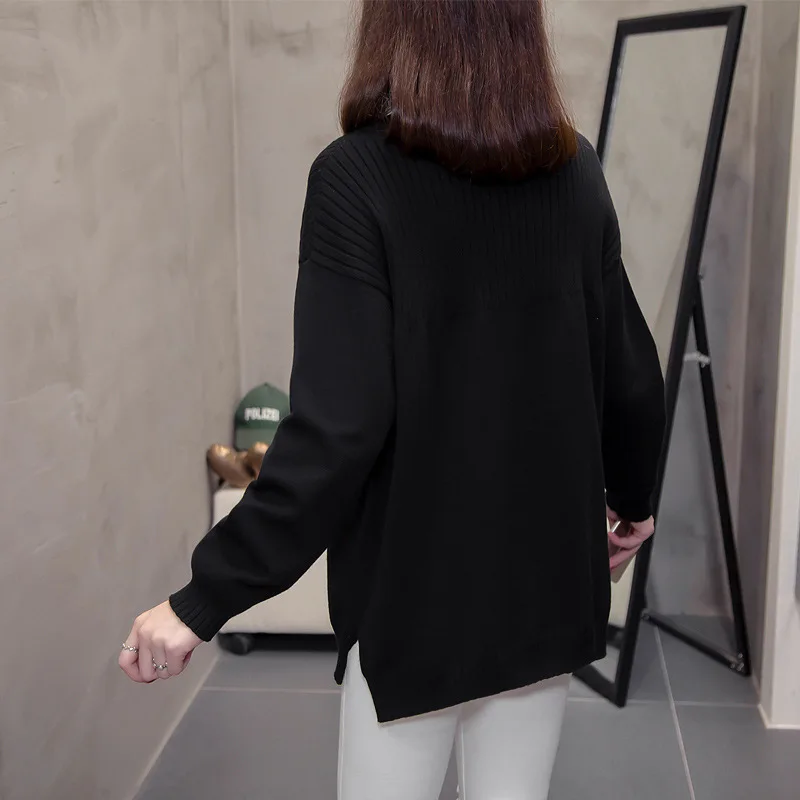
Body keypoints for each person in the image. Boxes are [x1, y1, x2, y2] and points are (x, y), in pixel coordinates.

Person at [119, 1, 666, 797]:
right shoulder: (576, 169)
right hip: (547, 585)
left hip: (415, 602)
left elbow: (337, 432)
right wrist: (634, 498)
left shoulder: (353, 178)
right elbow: (631, 374)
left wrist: (202, 599)